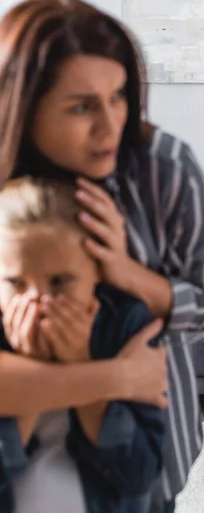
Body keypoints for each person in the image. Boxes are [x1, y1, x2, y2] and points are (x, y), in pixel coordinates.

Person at [0, 0, 204, 512]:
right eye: (81, 106)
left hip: (134, 452)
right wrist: (110, 376)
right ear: (23, 104)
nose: (110, 126)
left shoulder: (163, 168)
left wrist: (128, 273)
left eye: (119, 96)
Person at [0, 176, 165, 513]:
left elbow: (139, 475)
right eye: (16, 283)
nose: (39, 302)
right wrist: (36, 371)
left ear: (97, 273)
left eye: (59, 281)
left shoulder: (128, 325)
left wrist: (79, 358)